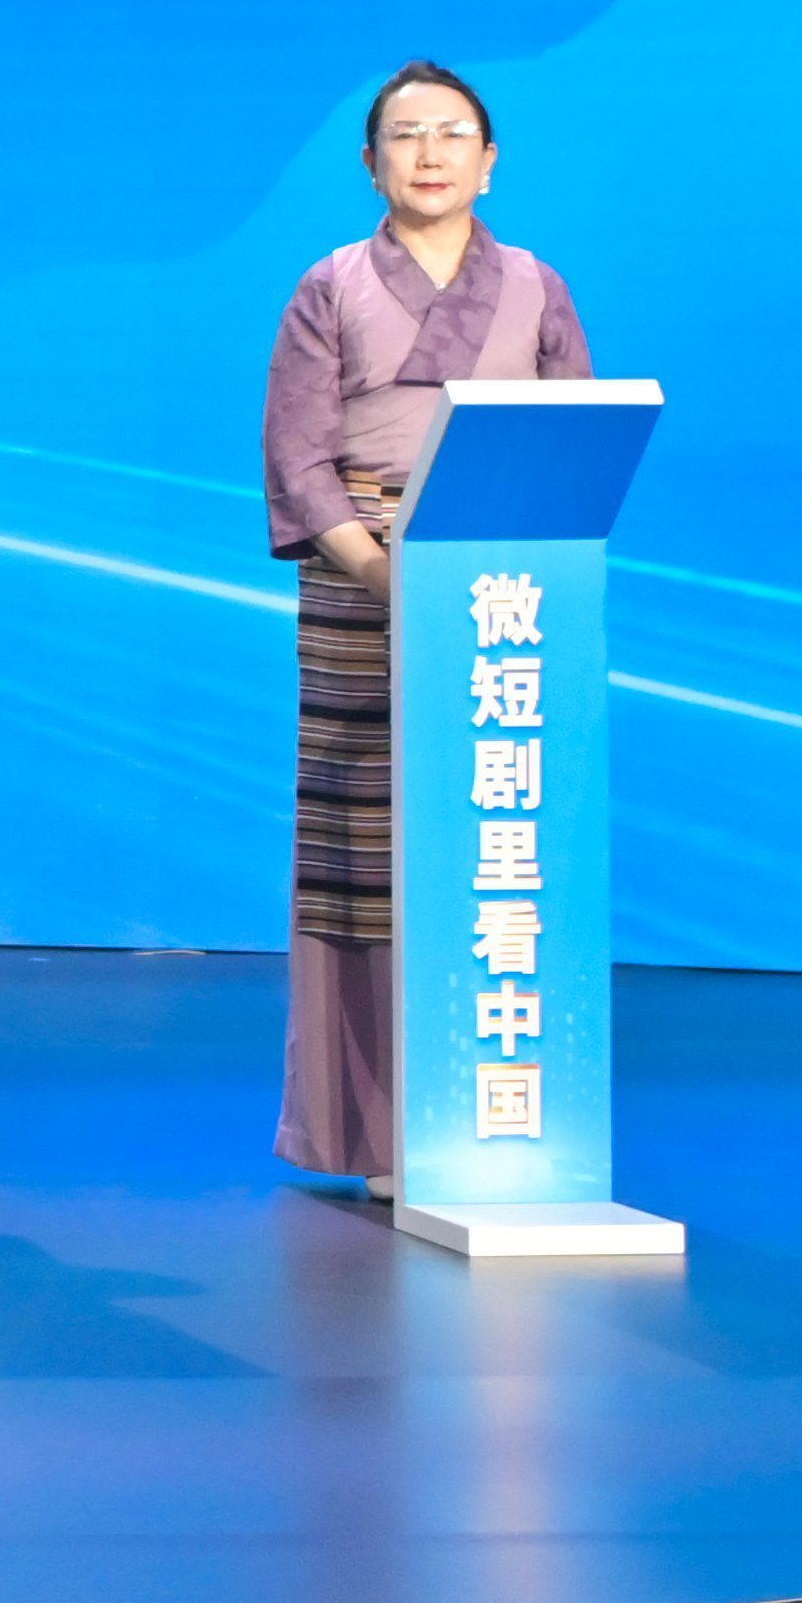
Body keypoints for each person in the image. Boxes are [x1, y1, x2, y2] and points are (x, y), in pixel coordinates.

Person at [260, 61, 588, 1194]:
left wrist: (486, 567)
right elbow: (299, 454)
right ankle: (381, 1133)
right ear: (371, 164)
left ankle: (499, 1108)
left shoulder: (537, 285)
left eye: (453, 133)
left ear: (489, 161)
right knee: (368, 853)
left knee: (497, 838)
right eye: (405, 135)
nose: (430, 152)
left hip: (504, 595)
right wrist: (381, 569)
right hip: (366, 578)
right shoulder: (329, 284)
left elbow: (572, 439)